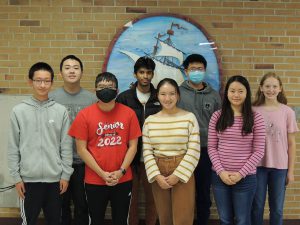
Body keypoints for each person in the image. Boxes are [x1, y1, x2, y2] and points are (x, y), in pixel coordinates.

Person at [68, 72, 141, 225]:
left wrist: (121, 171)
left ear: (117, 90)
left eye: (110, 87)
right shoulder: (84, 115)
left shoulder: (129, 114)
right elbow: (81, 149)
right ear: (95, 90)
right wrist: (102, 173)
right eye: (101, 87)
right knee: (95, 220)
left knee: (121, 220)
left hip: (123, 178)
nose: (105, 90)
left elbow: (133, 146)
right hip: (94, 179)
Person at [7, 62, 73, 225]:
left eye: (46, 81)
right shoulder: (19, 111)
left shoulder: (60, 111)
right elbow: (13, 147)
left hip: (55, 181)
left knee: (55, 221)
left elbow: (66, 146)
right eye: (38, 80)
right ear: (30, 82)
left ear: (52, 82)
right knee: (28, 221)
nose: (42, 85)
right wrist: (16, 177)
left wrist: (65, 175)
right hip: (28, 181)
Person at [207, 75, 266, 225]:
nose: (236, 95)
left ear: (247, 93)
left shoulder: (256, 117)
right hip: (220, 177)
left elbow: (259, 151)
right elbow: (212, 148)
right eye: (232, 91)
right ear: (226, 93)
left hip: (246, 178)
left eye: (240, 91)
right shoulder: (217, 116)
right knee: (225, 219)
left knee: (242, 219)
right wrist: (221, 171)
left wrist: (241, 174)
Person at [143, 78, 200, 225]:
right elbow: (147, 151)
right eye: (163, 94)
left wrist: (178, 175)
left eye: (171, 94)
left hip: (182, 168)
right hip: (158, 170)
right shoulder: (150, 121)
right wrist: (156, 176)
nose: (167, 98)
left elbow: (194, 150)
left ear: (178, 95)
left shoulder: (189, 118)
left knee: (183, 219)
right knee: (164, 218)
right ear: (157, 96)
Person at [50, 55, 96, 225]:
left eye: (76, 67)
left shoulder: (91, 99)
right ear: (61, 73)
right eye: (67, 67)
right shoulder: (51, 98)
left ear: (82, 72)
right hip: (57, 163)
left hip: (83, 164)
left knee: (82, 206)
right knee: (60, 207)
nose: (72, 70)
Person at [177, 53, 221, 225]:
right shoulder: (178, 93)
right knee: (183, 190)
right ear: (186, 71)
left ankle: (202, 220)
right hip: (183, 150)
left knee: (203, 191)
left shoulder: (214, 95)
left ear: (205, 71)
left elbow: (219, 124)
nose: (196, 72)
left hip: (206, 151)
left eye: (200, 69)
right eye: (193, 69)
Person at [116, 56, 160, 225]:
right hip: (129, 158)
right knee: (130, 200)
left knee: (153, 199)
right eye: (141, 72)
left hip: (152, 158)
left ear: (153, 74)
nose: (145, 76)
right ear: (135, 74)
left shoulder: (159, 96)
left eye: (149, 72)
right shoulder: (124, 98)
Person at [251, 72, 299, 225]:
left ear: (280, 89)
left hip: (280, 167)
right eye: (267, 86)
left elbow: (292, 144)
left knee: (277, 208)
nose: (271, 89)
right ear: (261, 88)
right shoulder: (253, 111)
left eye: (274, 86)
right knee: (256, 207)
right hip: (257, 166)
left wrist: (290, 171)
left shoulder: (288, 112)